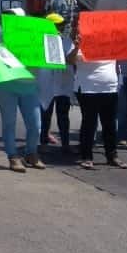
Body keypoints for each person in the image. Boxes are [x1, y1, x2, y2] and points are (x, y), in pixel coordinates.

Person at [68, 20, 127, 169]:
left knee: (109, 124)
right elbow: (70, 60)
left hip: (109, 88)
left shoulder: (111, 42)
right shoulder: (81, 41)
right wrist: (77, 47)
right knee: (89, 123)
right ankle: (87, 156)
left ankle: (112, 155)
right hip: (88, 88)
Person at [0, 9, 44, 173]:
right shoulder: (0, 38)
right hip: (7, 86)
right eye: (6, 18)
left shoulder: (34, 36)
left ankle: (31, 153)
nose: (9, 21)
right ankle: (13, 156)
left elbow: (46, 54)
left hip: (29, 86)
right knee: (9, 124)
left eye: (13, 18)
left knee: (36, 125)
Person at [40, 13, 74, 154]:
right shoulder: (41, 41)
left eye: (62, 25)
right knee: (45, 115)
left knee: (63, 115)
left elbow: (70, 59)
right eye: (57, 25)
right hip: (46, 82)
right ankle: (43, 142)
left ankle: (65, 144)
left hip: (63, 83)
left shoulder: (67, 41)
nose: (60, 27)